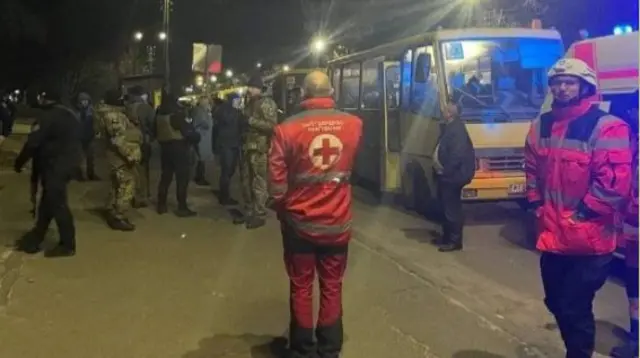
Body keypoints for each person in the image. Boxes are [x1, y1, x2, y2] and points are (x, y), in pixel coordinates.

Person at [524, 58, 632, 358]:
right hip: (553, 237)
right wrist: (535, 203)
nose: (562, 88)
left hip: (590, 241)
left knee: (575, 305)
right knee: (556, 302)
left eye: (570, 82)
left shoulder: (607, 127)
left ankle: (578, 354)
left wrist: (582, 214)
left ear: (585, 87)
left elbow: (614, 183)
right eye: (557, 83)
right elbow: (531, 168)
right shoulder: (541, 124)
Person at [268, 71, 362, 358]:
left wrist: (283, 208)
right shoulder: (354, 125)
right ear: (331, 91)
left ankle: (302, 349)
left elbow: (275, 182)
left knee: (301, 286)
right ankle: (330, 348)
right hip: (337, 223)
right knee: (332, 285)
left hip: (299, 224)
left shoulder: (286, 129)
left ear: (303, 94)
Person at [14, 89, 82, 257]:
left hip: (55, 165)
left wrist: (19, 163)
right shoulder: (70, 115)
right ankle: (36, 237)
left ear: (44, 99)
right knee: (48, 202)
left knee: (58, 204)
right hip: (68, 163)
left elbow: (33, 143)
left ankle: (67, 245)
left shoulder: (47, 116)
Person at [432, 99, 475, 252]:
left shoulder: (457, 130)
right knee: (445, 206)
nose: (442, 111)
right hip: (448, 175)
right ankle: (447, 236)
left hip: (453, 176)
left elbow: (457, 155)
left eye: (445, 109)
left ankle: (454, 241)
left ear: (450, 114)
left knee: (451, 208)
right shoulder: (450, 127)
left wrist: (446, 171)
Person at [96, 89, 142, 231]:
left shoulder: (113, 113)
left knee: (118, 186)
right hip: (119, 158)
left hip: (117, 156)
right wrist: (130, 156)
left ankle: (113, 210)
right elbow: (118, 139)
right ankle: (119, 216)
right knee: (126, 185)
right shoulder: (112, 116)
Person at [239, 74, 278, 229]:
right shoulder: (250, 102)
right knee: (246, 181)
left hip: (259, 149)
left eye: (251, 87)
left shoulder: (267, 103)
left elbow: (272, 126)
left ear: (258, 88)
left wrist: (250, 121)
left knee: (258, 182)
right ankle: (250, 211)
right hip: (248, 147)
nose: (249, 89)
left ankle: (259, 214)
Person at [155, 94, 200, 217]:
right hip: (179, 147)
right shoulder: (176, 115)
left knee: (166, 177)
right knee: (182, 179)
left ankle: (161, 205)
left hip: (165, 148)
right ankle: (182, 207)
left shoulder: (159, 114)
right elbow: (187, 132)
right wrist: (196, 137)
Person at [126, 86, 156, 208]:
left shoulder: (126, 108)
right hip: (143, 141)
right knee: (143, 169)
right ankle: (141, 196)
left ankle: (131, 194)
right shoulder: (146, 108)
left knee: (131, 169)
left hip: (127, 143)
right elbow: (153, 125)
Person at [212, 92, 243, 205]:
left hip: (233, 144)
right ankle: (224, 197)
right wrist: (237, 111)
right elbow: (228, 121)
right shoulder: (226, 110)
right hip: (227, 145)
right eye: (237, 100)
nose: (239, 102)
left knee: (230, 171)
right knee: (226, 171)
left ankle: (224, 195)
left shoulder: (232, 110)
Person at [74, 92, 98, 181]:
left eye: (86, 101)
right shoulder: (77, 113)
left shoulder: (92, 112)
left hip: (90, 137)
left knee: (90, 158)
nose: (84, 103)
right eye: (82, 101)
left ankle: (91, 175)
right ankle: (79, 176)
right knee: (80, 159)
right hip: (80, 138)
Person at [192, 96, 214, 186]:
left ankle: (199, 176)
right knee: (202, 158)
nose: (207, 103)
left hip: (203, 137)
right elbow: (207, 124)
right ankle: (200, 178)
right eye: (206, 102)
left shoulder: (199, 110)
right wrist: (209, 114)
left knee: (202, 158)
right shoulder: (201, 111)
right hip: (202, 137)